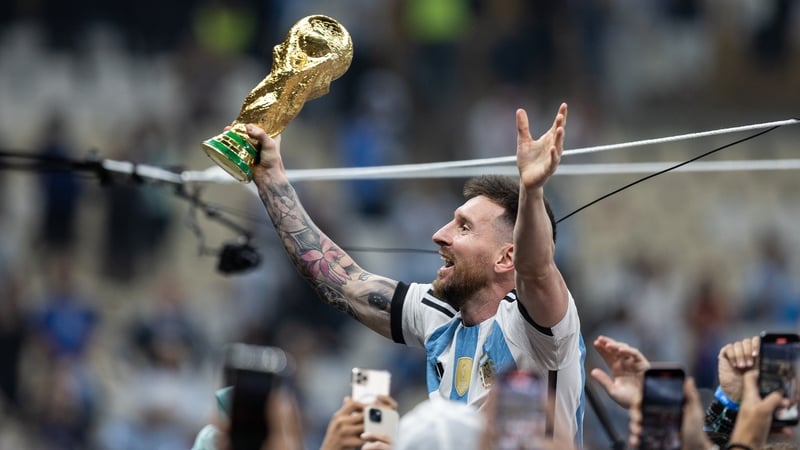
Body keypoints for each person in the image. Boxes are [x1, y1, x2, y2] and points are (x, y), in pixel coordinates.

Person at [246, 102, 585, 444]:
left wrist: (532, 192)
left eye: (464, 228)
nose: (440, 234)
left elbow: (536, 270)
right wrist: (272, 180)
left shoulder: (535, 328)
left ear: (506, 257)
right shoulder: (438, 314)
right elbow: (339, 279)